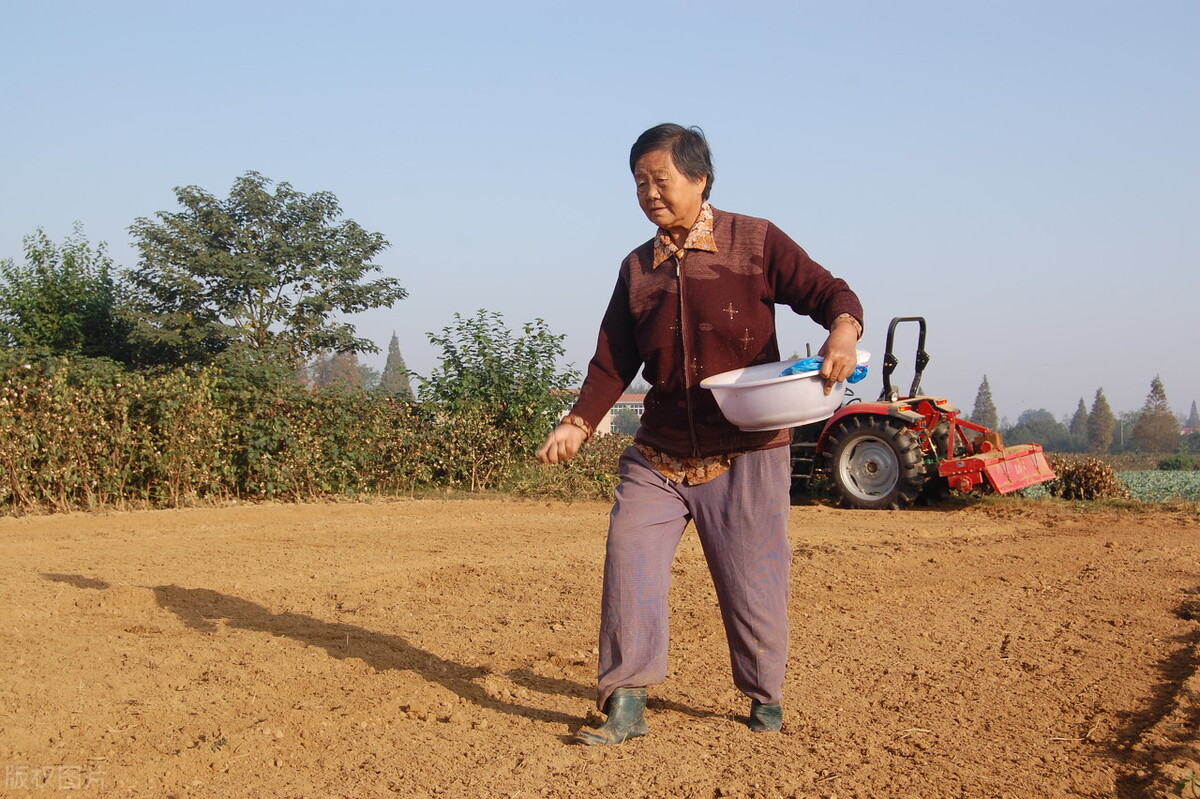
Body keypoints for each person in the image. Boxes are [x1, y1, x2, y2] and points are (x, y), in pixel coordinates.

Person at [537, 123, 863, 745]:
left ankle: (765, 698)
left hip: (746, 449)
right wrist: (578, 421)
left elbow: (830, 292)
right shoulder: (638, 268)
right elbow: (613, 360)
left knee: (753, 582)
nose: (649, 193)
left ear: (699, 178)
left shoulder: (756, 242)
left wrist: (842, 334)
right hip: (659, 451)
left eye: (661, 179)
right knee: (628, 562)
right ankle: (625, 703)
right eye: (639, 182)